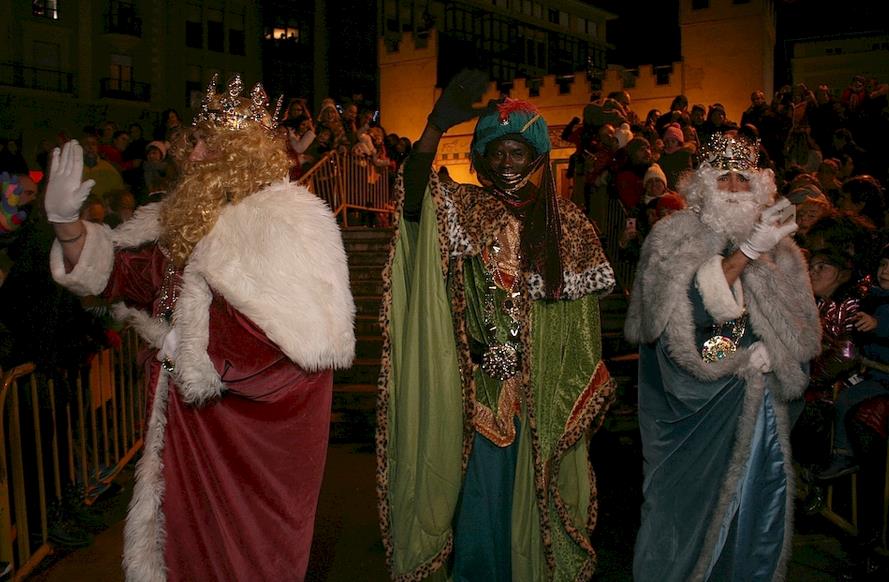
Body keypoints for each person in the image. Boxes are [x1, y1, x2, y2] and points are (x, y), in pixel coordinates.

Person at [44, 74, 355, 581]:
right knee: (182, 556)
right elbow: (123, 273)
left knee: (240, 563)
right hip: (186, 436)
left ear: (240, 155)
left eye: (206, 146)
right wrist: (66, 224)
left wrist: (191, 345)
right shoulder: (182, 219)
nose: (190, 157)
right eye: (194, 143)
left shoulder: (288, 223)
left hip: (244, 452)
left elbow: (301, 349)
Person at [376, 70, 617, 581]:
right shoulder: (465, 207)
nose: (507, 163)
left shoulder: (569, 225)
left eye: (517, 152)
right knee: (479, 506)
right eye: (497, 152)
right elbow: (414, 200)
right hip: (479, 392)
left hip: (542, 395)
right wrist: (435, 128)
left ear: (536, 158)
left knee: (532, 509)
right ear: (482, 157)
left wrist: (557, 378)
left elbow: (581, 327)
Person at [626, 132, 821, 580]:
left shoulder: (783, 249)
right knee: (682, 515)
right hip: (694, 415)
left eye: (743, 179)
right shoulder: (672, 237)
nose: (734, 188)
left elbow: (804, 331)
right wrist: (748, 252)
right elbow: (679, 321)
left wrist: (778, 355)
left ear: (761, 187)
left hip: (761, 412)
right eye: (725, 178)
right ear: (703, 185)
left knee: (753, 510)